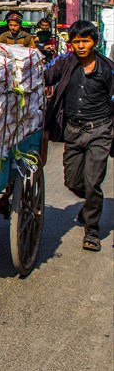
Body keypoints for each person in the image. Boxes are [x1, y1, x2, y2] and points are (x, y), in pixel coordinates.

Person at [44, 20, 114, 252]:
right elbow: (46, 75)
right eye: (76, 41)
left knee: (93, 181)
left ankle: (92, 231)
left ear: (94, 42)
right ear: (71, 43)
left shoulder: (107, 68)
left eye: (85, 41)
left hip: (100, 130)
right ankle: (92, 202)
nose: (81, 46)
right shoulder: (65, 63)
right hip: (73, 130)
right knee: (72, 181)